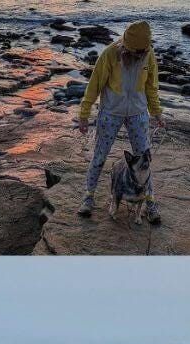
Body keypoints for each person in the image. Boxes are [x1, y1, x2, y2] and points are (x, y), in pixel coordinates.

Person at [77, 20, 164, 224]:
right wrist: (84, 114)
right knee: (99, 156)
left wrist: (157, 113)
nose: (140, 56)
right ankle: (88, 196)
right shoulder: (109, 54)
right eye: (136, 52)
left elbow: (152, 86)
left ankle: (150, 201)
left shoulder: (148, 54)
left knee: (145, 160)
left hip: (138, 114)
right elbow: (94, 86)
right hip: (110, 113)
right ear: (125, 46)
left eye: (143, 51)